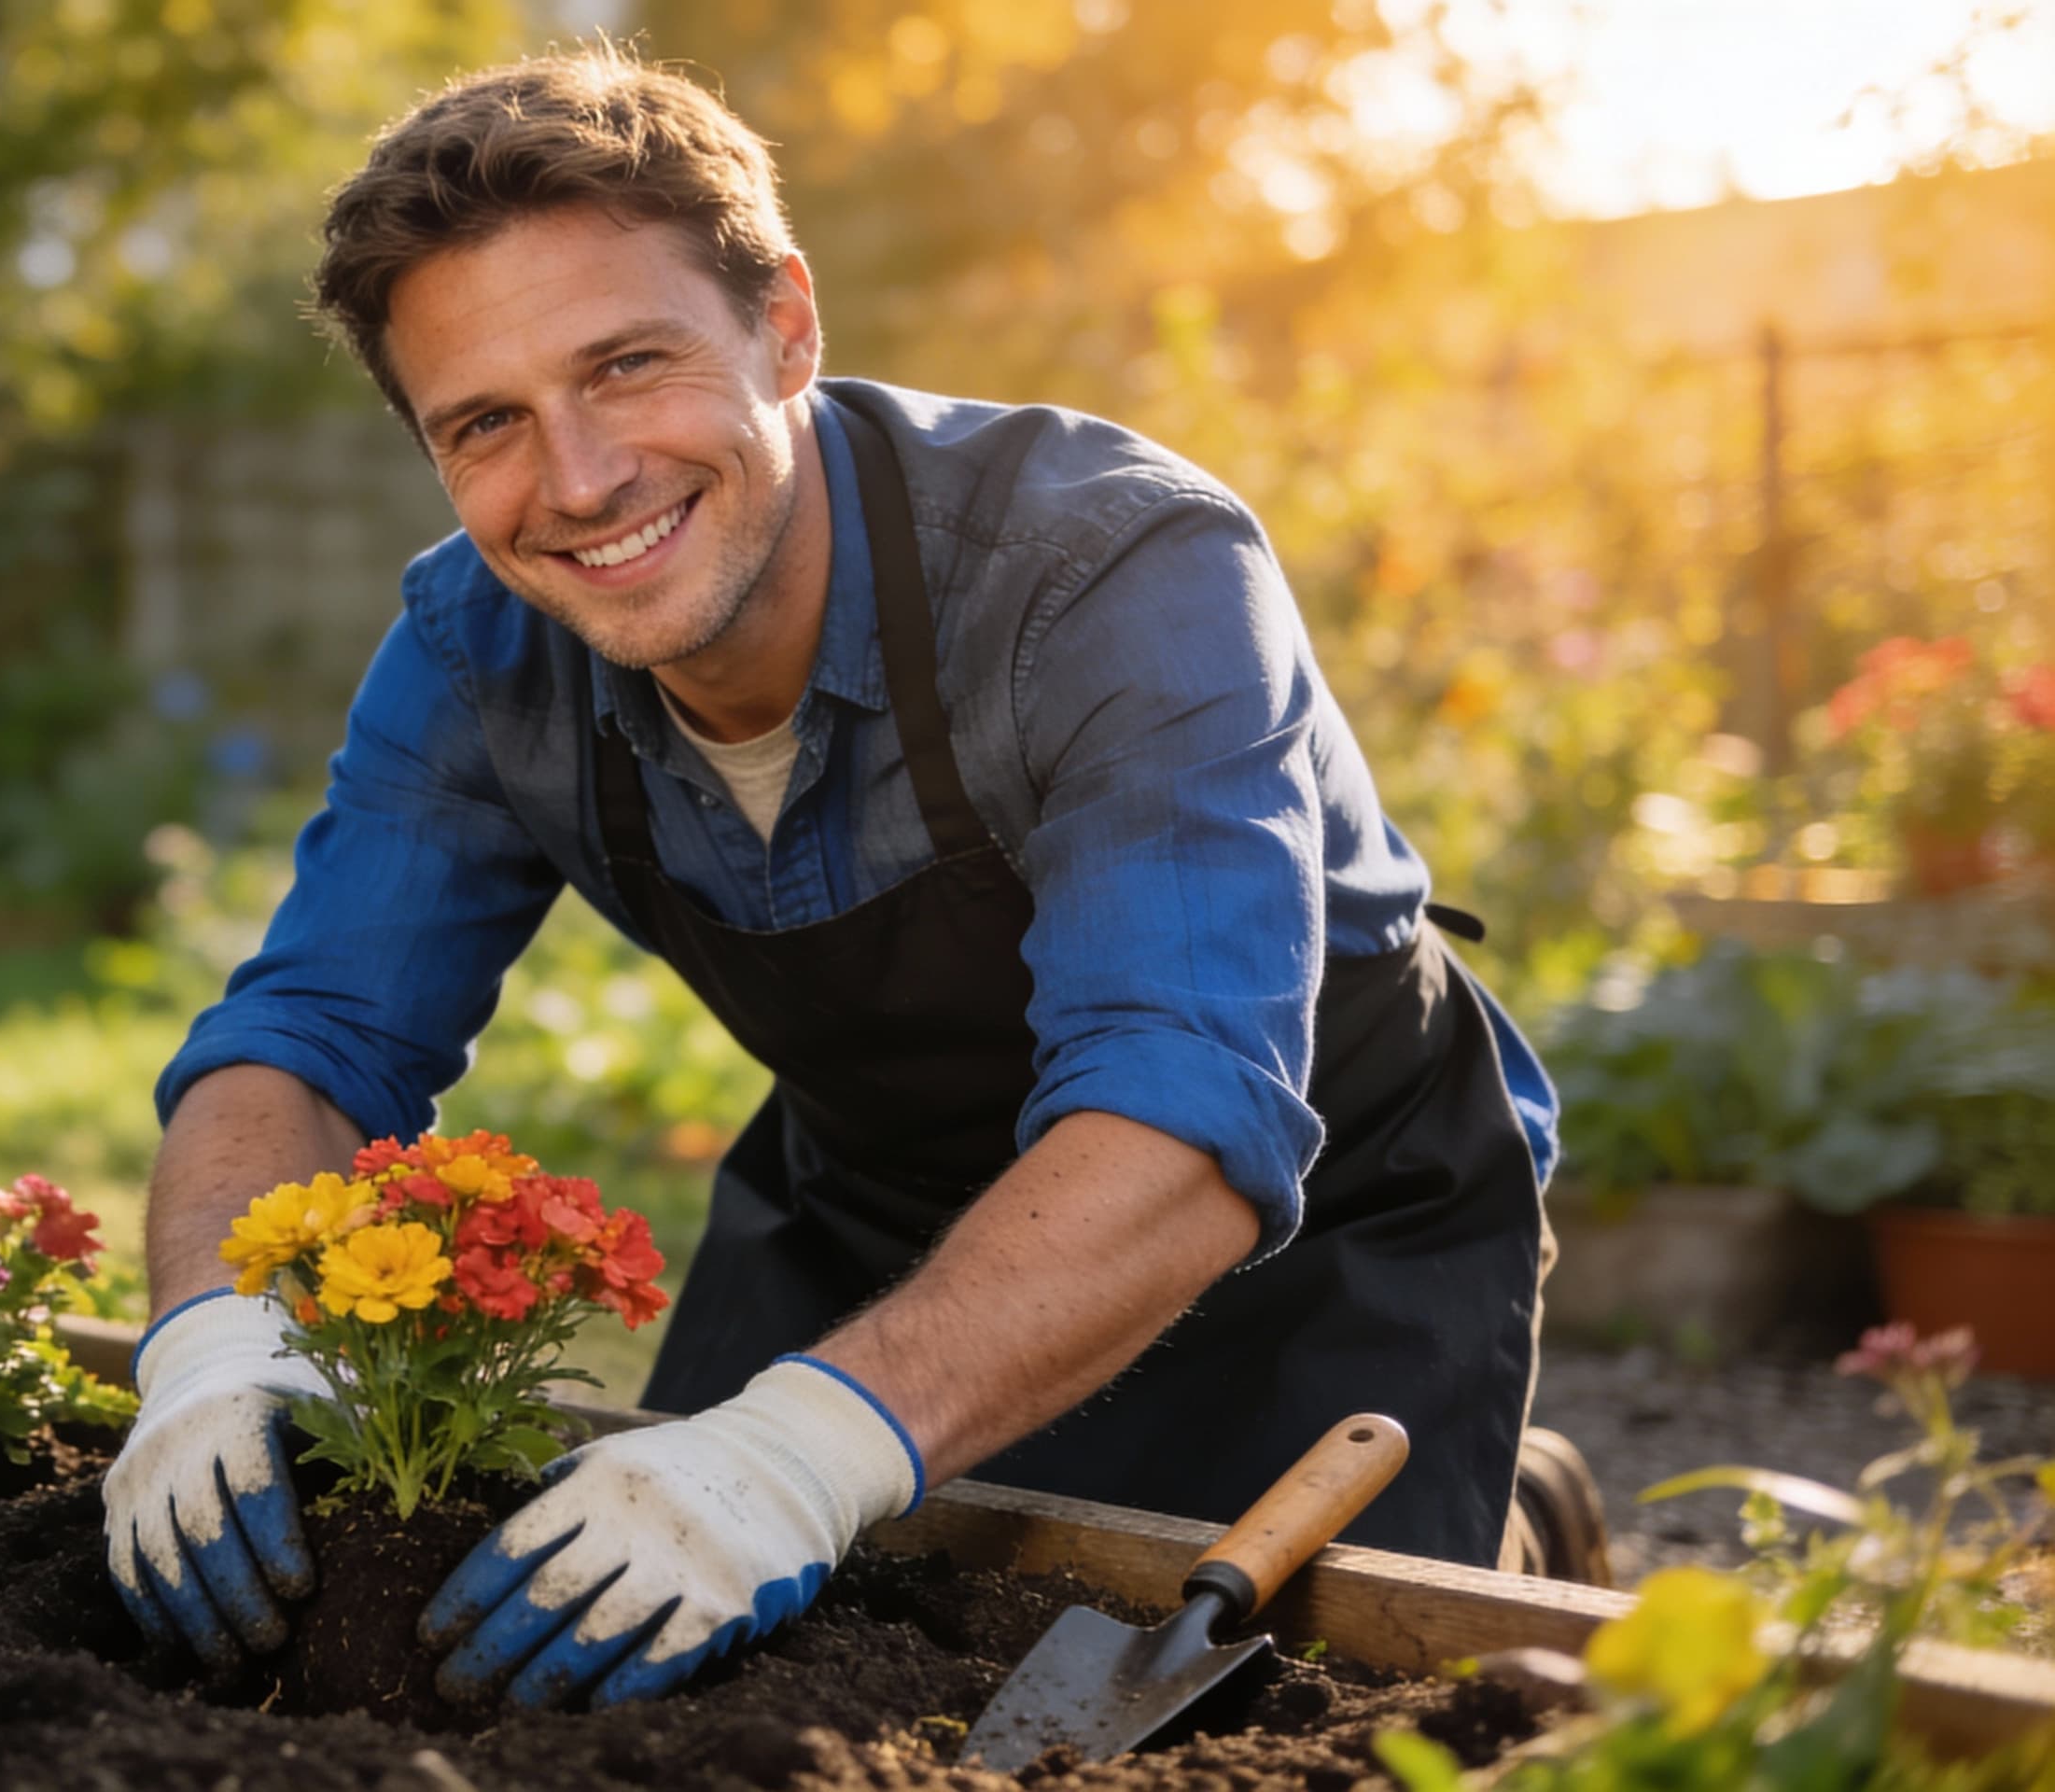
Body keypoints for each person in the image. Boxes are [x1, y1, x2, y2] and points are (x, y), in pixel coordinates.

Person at [99, 49, 1583, 1714]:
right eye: (488, 423)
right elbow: (309, 1032)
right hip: (870, 1194)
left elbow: (1183, 1106)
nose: (578, 480)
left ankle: (1514, 1517)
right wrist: (214, 1339)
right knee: (659, 1684)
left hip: (1308, 1213)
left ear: (787, 326)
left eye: (630, 364)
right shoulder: (473, 647)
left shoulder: (1112, 573)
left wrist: (804, 1450)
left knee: (1269, 1705)